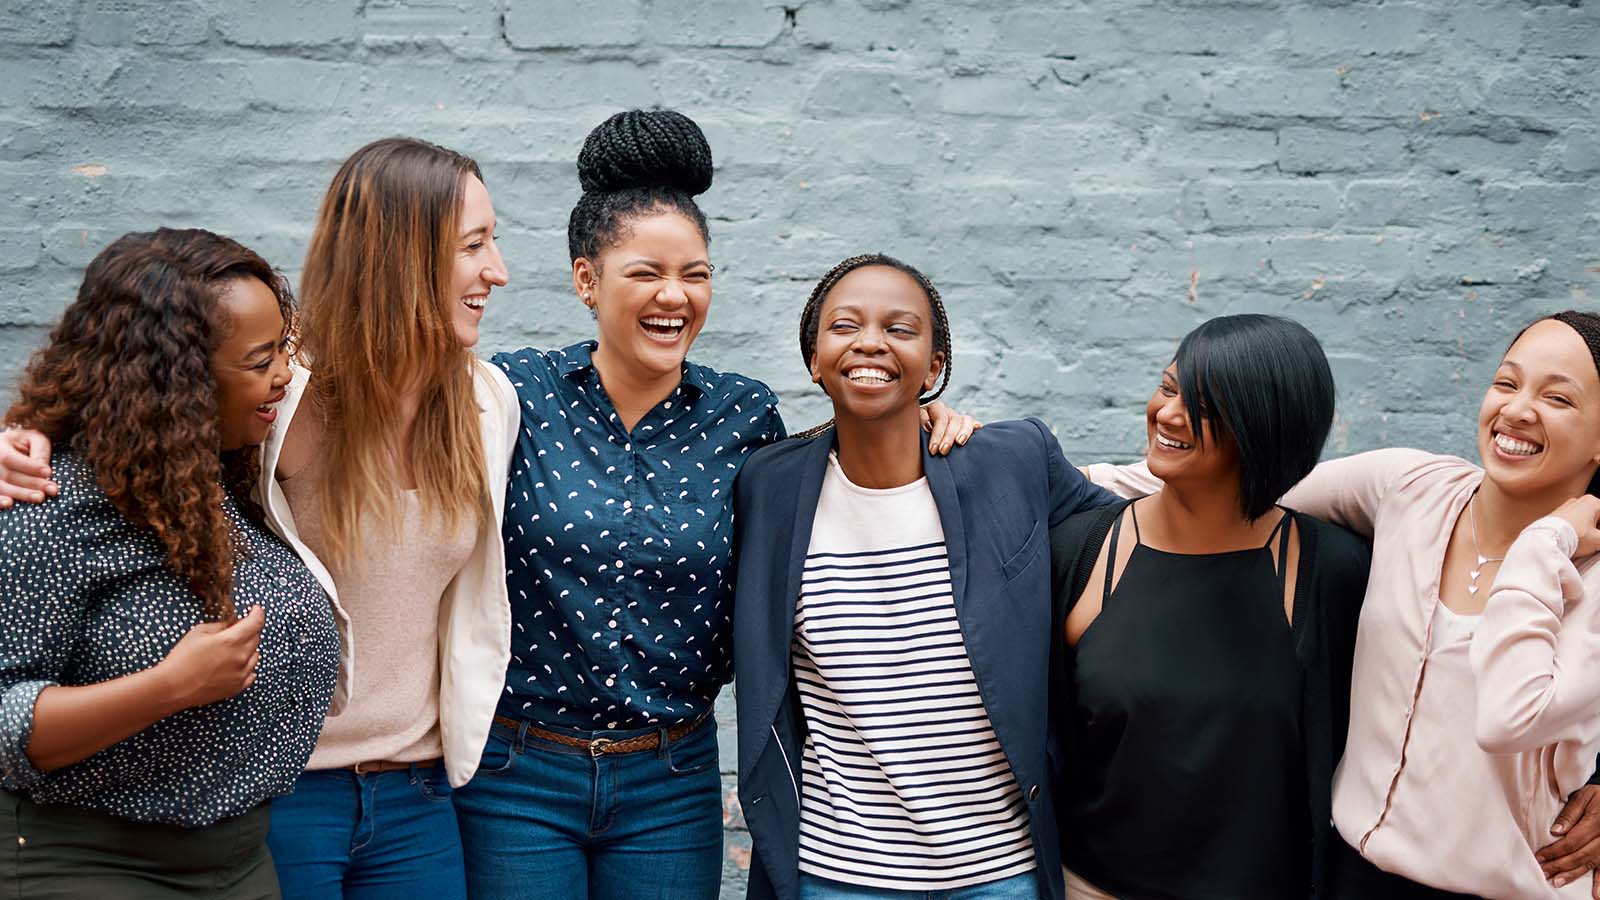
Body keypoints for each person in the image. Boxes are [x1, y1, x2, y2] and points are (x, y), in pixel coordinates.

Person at [0, 138, 518, 899]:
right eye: (474, 244)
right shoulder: (277, 403)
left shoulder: (487, 405)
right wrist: (21, 440)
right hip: (285, 794)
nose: (497, 269)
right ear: (400, 257)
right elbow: (137, 394)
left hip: (417, 794)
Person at [1087, 311, 1600, 899]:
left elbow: (1511, 717)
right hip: (1350, 875)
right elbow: (1236, 477)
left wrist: (1545, 544)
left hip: (1513, 888)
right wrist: (1012, 471)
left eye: (1558, 399)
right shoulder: (1412, 488)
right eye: (1506, 384)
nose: (1517, 410)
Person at [732, 253, 1117, 900]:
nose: (871, 342)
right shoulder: (766, 486)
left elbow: (1144, 538)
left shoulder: (1009, 463)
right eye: (845, 325)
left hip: (1001, 874)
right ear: (814, 357)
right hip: (837, 877)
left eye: (901, 329)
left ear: (935, 366)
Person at [0, 228, 341, 899]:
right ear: (176, 380)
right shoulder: (49, 508)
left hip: (237, 860)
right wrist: (168, 687)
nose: (283, 375)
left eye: (284, 349)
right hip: (86, 862)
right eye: (260, 360)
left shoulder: (219, 477)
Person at [1047, 314, 1371, 899]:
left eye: (1205, 406)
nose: (1169, 415)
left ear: (1264, 427)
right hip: (1090, 888)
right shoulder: (1080, 551)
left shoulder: (1333, 570)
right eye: (1169, 388)